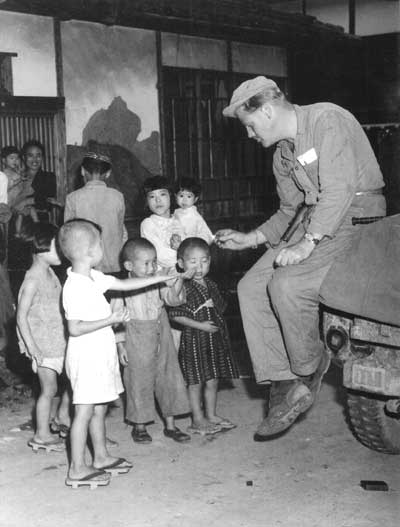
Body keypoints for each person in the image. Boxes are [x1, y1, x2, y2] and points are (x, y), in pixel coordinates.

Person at [216, 76, 386, 439]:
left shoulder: (327, 120)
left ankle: (308, 366)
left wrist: (308, 243)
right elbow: (289, 210)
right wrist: (251, 238)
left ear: (266, 110)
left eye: (249, 126)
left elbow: (338, 190)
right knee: (250, 288)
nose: (249, 135)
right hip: (314, 220)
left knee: (288, 284)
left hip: (356, 215)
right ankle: (283, 382)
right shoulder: (283, 154)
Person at [58, 219, 175, 489]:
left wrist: (161, 277)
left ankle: (99, 457)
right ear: (89, 251)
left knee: (99, 409)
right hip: (86, 357)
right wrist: (109, 320)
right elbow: (74, 328)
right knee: (84, 412)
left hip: (100, 354)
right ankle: (76, 467)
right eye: (100, 243)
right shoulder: (74, 285)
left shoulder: (93, 276)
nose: (104, 247)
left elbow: (123, 285)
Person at [113, 238, 192, 444]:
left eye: (154, 262)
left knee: (169, 376)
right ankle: (140, 426)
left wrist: (180, 279)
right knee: (138, 380)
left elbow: (173, 300)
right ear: (129, 266)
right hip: (135, 337)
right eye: (146, 263)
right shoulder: (120, 288)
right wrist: (120, 345)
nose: (151, 268)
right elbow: (115, 320)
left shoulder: (158, 280)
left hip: (161, 331)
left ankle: (171, 425)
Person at [170, 237, 239, 436]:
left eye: (204, 261)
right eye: (193, 262)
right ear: (181, 264)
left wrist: (212, 304)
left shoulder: (211, 284)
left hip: (214, 340)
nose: (199, 267)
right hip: (194, 340)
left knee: (213, 380)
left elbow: (222, 307)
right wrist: (200, 324)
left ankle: (211, 414)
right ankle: (197, 419)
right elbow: (175, 315)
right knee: (196, 381)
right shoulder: (182, 287)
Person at [16, 223, 70, 453]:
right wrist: (32, 347)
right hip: (42, 346)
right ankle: (41, 435)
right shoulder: (32, 279)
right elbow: (21, 317)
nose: (63, 252)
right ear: (41, 249)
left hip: (58, 341)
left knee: (69, 383)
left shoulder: (51, 274)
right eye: (57, 247)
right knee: (48, 390)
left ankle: (61, 417)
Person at [64, 151, 127, 273]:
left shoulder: (72, 198)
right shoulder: (118, 196)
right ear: (108, 173)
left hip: (85, 266)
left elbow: (68, 236)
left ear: (82, 171)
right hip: (114, 264)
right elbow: (121, 230)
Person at [140, 175, 183, 271]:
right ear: (146, 201)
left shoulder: (180, 219)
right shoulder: (148, 224)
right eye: (152, 196)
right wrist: (185, 252)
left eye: (162, 194)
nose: (157, 200)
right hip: (164, 280)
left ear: (171, 196)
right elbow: (162, 257)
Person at [0, 145, 38, 235]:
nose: (15, 161)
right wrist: (18, 181)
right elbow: (6, 189)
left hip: (18, 200)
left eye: (17, 158)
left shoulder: (17, 171)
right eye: (12, 158)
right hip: (9, 202)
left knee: (30, 209)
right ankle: (17, 233)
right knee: (26, 207)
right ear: (4, 160)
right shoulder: (4, 174)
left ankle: (37, 226)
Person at [22, 140, 56, 222]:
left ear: (42, 158)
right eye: (30, 155)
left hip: (40, 222)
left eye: (38, 155)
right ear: (24, 157)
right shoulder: (17, 177)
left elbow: (48, 204)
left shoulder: (49, 177)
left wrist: (25, 202)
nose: (35, 160)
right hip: (18, 221)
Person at [173, 177, 214, 244]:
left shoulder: (193, 215)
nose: (184, 200)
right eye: (181, 196)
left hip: (190, 245)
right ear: (175, 196)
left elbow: (207, 234)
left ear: (195, 199)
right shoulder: (177, 212)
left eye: (189, 196)